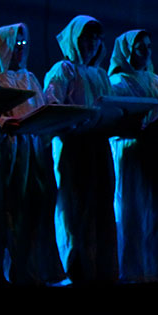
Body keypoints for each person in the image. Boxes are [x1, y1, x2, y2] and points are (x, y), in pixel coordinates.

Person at [0, 23, 62, 284]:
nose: (20, 50)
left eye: (24, 45)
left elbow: (40, 110)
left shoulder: (30, 78)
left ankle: (26, 269)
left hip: (29, 153)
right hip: (1, 153)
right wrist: (2, 124)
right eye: (15, 44)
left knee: (29, 211)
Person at [44, 15, 116, 284]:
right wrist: (77, 122)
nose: (91, 44)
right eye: (86, 38)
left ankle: (102, 269)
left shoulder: (99, 74)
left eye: (96, 38)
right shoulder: (64, 70)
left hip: (98, 145)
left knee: (101, 207)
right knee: (75, 208)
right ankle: (76, 270)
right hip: (73, 147)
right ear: (75, 40)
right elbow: (51, 105)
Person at [108, 29, 158, 281]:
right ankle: (133, 271)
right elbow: (113, 117)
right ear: (128, 51)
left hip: (157, 149)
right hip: (131, 151)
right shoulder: (118, 82)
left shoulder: (156, 81)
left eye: (149, 46)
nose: (147, 52)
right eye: (141, 47)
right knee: (133, 211)